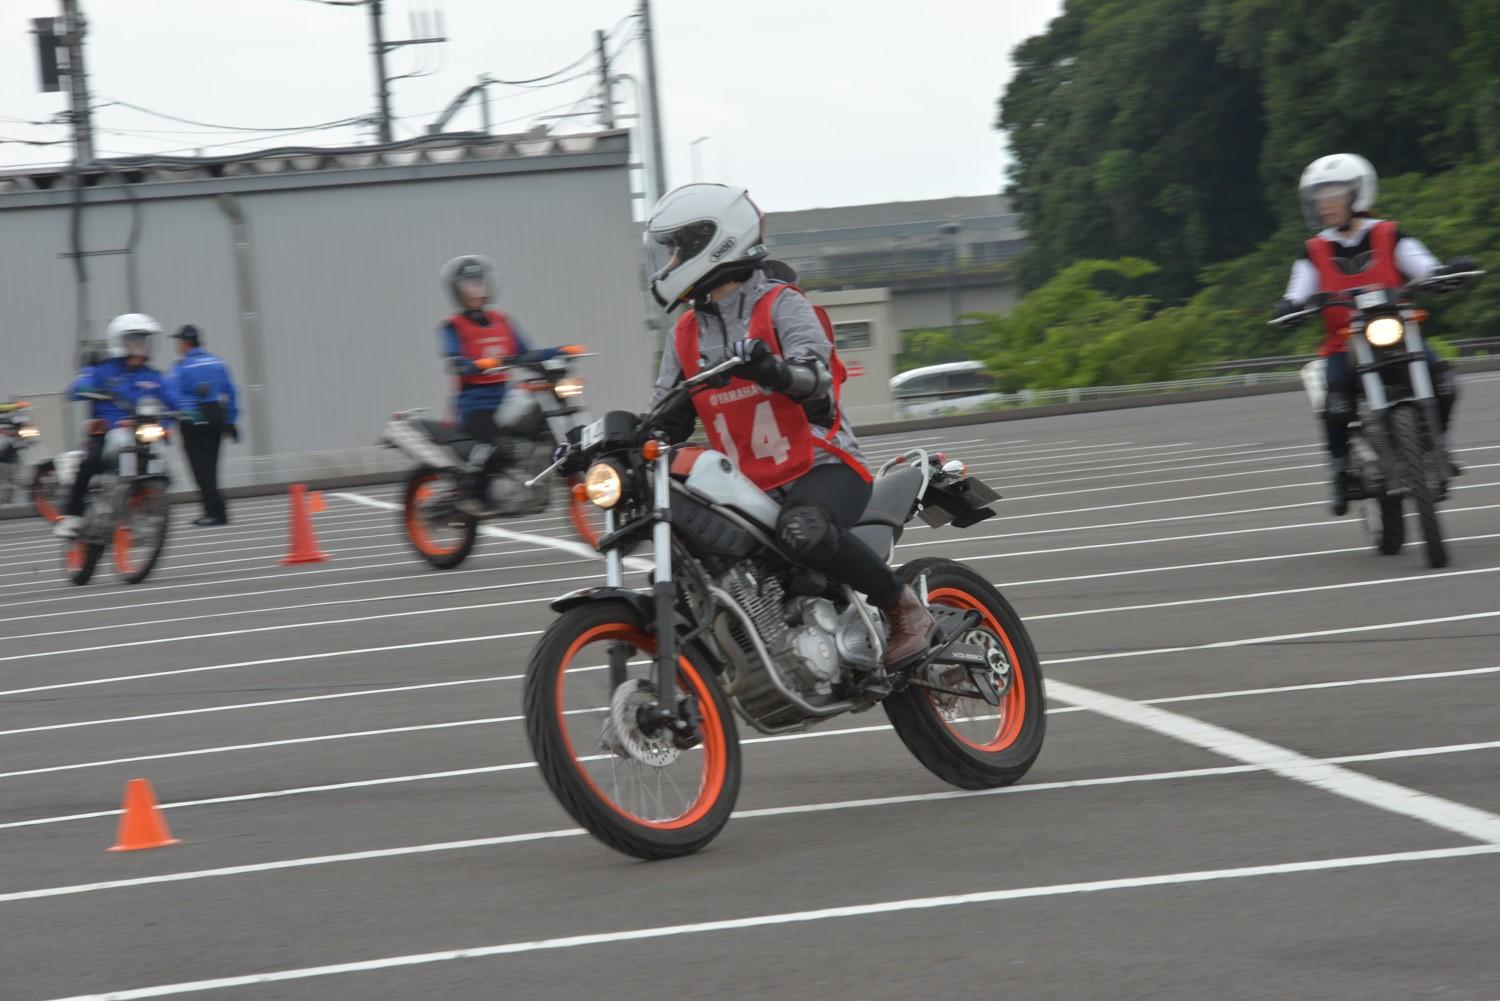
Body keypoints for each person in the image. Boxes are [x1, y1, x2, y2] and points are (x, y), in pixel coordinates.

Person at [644, 182, 935, 670]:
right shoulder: (685, 334)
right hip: (749, 484)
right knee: (693, 552)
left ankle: (903, 606)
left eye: (678, 249)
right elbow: (664, 413)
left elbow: (815, 376)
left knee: (802, 530)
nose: (669, 262)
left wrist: (774, 370)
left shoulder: (781, 304)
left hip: (822, 465)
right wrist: (615, 437)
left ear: (714, 241)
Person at [1273, 153, 1472, 515]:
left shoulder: (1389, 234)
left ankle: (1435, 446)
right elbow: (1298, 289)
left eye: (1333, 193)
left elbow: (1424, 266)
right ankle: (1339, 469)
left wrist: (1444, 274)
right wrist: (1289, 306)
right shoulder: (1314, 250)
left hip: (1398, 331)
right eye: (1319, 196)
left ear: (1357, 194)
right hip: (1344, 342)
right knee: (1335, 403)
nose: (1325, 203)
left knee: (1444, 380)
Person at [436, 255, 560, 515]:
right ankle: (470, 494)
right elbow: (454, 359)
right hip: (474, 406)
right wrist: (468, 364)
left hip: (505, 399)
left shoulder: (504, 322)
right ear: (456, 290)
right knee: (498, 446)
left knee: (546, 422)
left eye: (480, 281)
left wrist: (559, 352)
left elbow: (527, 353)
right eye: (469, 283)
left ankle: (537, 480)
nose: (477, 288)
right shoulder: (452, 327)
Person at [54, 314, 171, 539]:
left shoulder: (153, 375)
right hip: (107, 430)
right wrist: (86, 389)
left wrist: (186, 411)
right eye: (135, 339)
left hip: (140, 432)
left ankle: (148, 511)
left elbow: (172, 398)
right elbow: (77, 387)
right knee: (89, 463)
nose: (140, 345)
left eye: (144, 340)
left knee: (164, 469)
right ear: (120, 341)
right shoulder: (103, 370)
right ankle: (73, 516)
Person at [165, 324, 240, 526]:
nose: (178, 346)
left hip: (193, 414)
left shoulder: (180, 368)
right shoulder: (218, 362)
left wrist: (167, 424)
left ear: (185, 343)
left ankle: (214, 512)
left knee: (200, 467)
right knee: (212, 466)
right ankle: (217, 510)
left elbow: (172, 397)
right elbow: (231, 392)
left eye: (179, 342)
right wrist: (231, 421)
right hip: (216, 412)